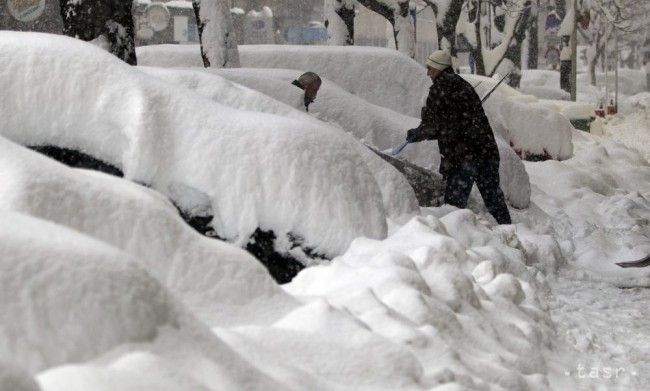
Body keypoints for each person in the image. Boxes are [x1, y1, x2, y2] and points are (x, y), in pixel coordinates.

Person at [404, 50, 512, 224]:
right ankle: (508, 231)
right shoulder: (464, 85)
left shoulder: (439, 89)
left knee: (454, 206)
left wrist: (418, 133)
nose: (428, 72)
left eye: (430, 68)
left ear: (439, 69)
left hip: (463, 157)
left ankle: (456, 241)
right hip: (486, 152)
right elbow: (451, 123)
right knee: (493, 198)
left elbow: (435, 124)